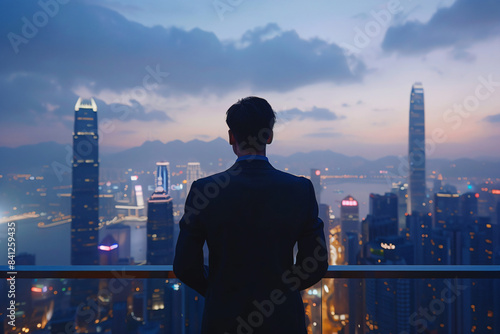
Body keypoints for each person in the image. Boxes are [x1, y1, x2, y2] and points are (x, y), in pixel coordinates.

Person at [174, 96, 328, 333]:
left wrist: (219, 291)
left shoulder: (204, 191)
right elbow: (315, 264)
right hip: (283, 321)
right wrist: (281, 291)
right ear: (269, 136)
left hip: (223, 320)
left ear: (231, 137)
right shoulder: (299, 189)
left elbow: (185, 265)